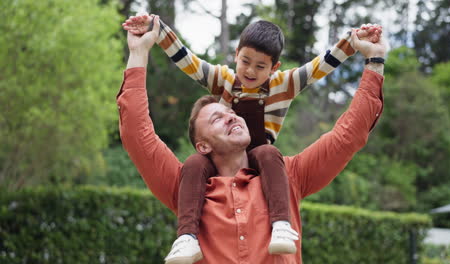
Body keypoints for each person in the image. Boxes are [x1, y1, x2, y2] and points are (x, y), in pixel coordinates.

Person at [118, 19, 386, 263]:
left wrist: (375, 61)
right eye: (216, 119)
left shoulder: (288, 175)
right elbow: (135, 133)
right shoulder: (186, 186)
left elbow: (349, 135)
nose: (231, 117)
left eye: (231, 112)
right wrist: (139, 53)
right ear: (203, 146)